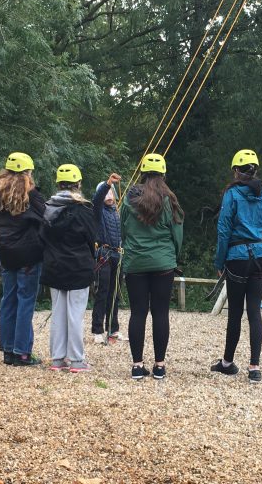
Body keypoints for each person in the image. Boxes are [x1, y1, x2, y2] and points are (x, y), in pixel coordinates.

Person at [211, 149, 262, 384]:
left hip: (237, 257)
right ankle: (255, 367)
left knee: (235, 313)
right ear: (255, 170)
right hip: (260, 256)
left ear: (236, 171)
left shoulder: (232, 194)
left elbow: (224, 230)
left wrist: (220, 261)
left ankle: (227, 362)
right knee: (254, 311)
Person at [121, 153, 183, 380]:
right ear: (163, 174)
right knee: (160, 313)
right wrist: (172, 257)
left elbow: (123, 230)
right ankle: (159, 365)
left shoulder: (130, 199)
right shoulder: (169, 200)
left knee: (138, 312)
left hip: (135, 262)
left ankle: (137, 365)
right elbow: (177, 234)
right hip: (163, 263)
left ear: (142, 173)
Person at [0, 152, 45, 366]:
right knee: (25, 301)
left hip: (6, 253)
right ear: (28, 172)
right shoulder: (32, 194)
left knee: (8, 300)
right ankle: (22, 352)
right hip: (28, 254)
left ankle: (8, 350)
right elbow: (46, 217)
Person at [40, 164, 97, 373]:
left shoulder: (47, 208)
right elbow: (92, 238)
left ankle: (57, 359)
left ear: (58, 184)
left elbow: (42, 238)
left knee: (58, 312)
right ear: (78, 184)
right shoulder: (83, 209)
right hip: (78, 267)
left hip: (54, 266)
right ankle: (76, 360)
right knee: (75, 314)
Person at [91, 173, 123, 344]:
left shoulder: (117, 212)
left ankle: (113, 329)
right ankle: (97, 330)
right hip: (104, 255)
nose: (110, 196)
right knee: (102, 293)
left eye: (112, 192)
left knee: (115, 294)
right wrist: (108, 184)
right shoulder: (98, 211)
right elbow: (96, 200)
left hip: (118, 255)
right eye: (107, 193)